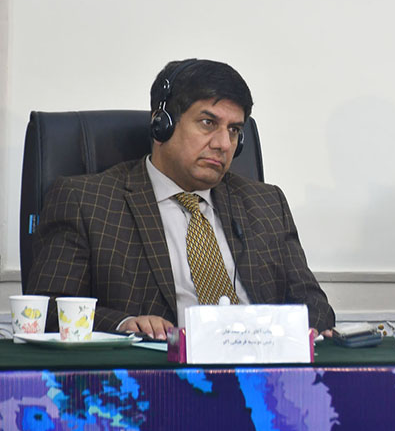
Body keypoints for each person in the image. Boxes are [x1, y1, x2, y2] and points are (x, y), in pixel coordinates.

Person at [28, 59, 335, 339]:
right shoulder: (87, 202)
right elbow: (48, 309)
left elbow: (316, 308)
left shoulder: (266, 203)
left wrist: (291, 331)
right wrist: (124, 323)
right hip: (156, 372)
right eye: (208, 123)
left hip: (261, 367)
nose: (223, 144)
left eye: (234, 130)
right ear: (162, 124)